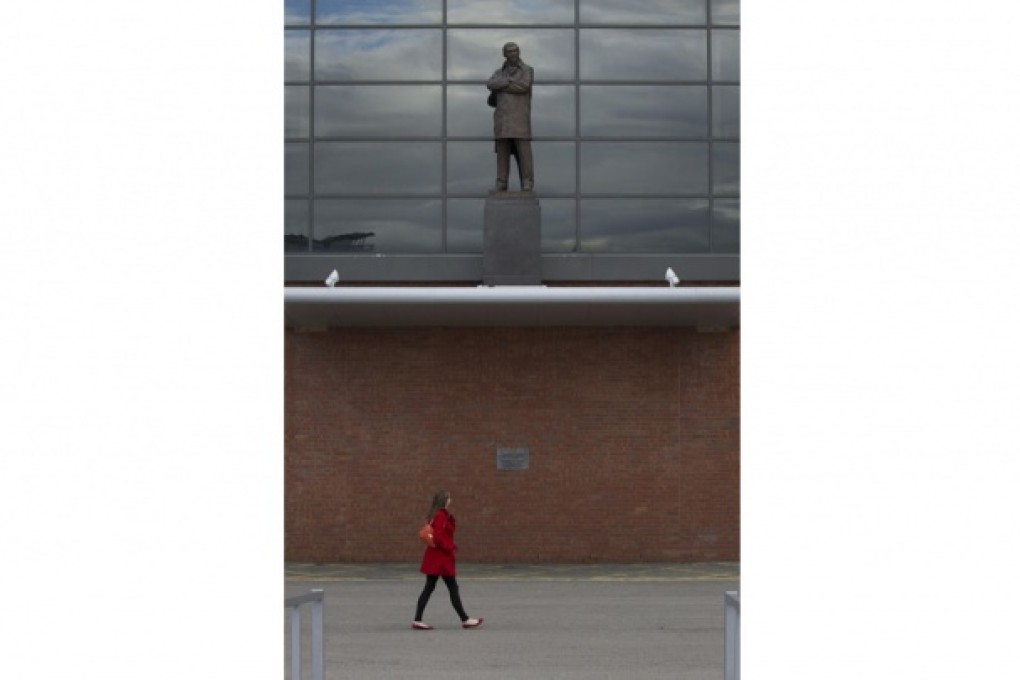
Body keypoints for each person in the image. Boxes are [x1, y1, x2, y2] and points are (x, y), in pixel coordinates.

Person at [413, 490, 483, 630]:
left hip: (435, 557)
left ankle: (418, 619)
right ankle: (465, 619)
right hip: (442, 558)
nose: (450, 500)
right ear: (444, 500)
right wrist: (450, 547)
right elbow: (439, 537)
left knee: (430, 588)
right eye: (449, 497)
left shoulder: (434, 514)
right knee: (452, 588)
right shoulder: (440, 515)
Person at [486, 42, 534, 192]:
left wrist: (503, 84)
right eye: (510, 52)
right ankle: (501, 182)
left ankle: (527, 181)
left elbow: (524, 86)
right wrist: (508, 82)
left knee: (524, 153)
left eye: (515, 51)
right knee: (502, 152)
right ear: (505, 55)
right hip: (502, 119)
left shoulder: (527, 70)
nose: (513, 54)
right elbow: (490, 84)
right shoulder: (498, 72)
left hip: (519, 118)